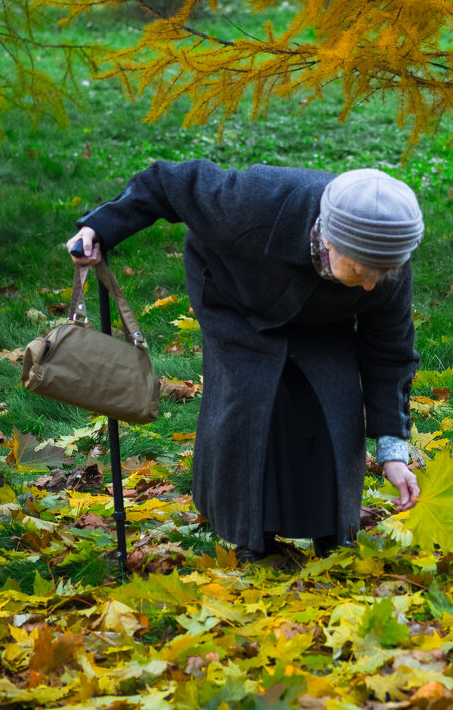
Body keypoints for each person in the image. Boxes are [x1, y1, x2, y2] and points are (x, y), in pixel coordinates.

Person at [65, 161, 422, 561]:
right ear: (330, 241)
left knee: (332, 401)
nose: (373, 284)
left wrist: (393, 451)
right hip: (234, 296)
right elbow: (167, 182)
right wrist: (100, 227)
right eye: (361, 270)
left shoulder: (384, 263)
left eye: (382, 275)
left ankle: (333, 529)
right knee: (252, 400)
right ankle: (254, 536)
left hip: (325, 315)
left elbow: (389, 351)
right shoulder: (251, 202)